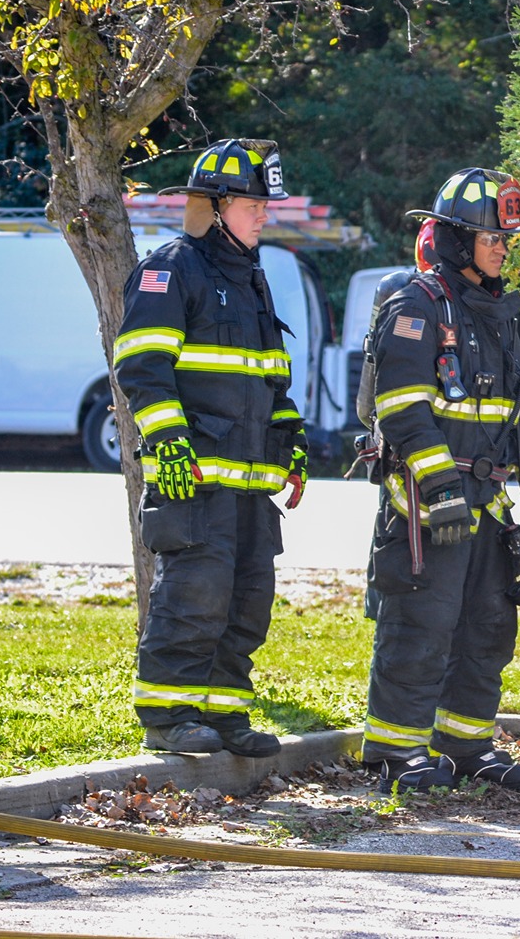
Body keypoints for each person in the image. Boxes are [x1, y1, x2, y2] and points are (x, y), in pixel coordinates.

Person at [360, 167, 520, 792]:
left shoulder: (496, 312)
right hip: (425, 501)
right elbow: (403, 410)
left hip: (489, 502)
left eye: (505, 240)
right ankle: (393, 752)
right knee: (421, 624)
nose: (503, 248)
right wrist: (440, 488)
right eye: (492, 237)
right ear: (455, 238)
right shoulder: (417, 305)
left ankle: (467, 746)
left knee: (486, 628)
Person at [113, 138, 307, 758]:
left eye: (264, 203)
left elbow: (271, 375)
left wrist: (292, 443)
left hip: (250, 486)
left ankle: (224, 715)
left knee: (247, 602)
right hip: (193, 481)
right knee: (194, 597)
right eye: (254, 203)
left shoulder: (252, 280)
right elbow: (141, 367)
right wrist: (167, 443)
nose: (264, 214)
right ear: (217, 206)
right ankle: (168, 718)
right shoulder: (171, 268)